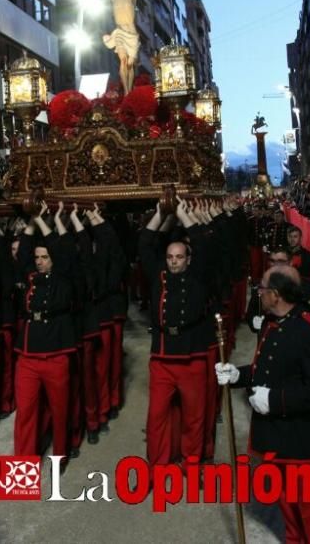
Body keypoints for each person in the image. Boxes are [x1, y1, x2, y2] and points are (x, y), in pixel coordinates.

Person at [216, 266, 310, 544]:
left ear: (276, 295)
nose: (258, 294)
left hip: (302, 441)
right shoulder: (273, 324)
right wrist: (237, 375)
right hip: (278, 438)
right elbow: (266, 371)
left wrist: (273, 400)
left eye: (262, 289)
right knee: (289, 511)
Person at [138, 199, 214, 466]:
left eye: (179, 257)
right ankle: (157, 465)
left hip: (191, 355)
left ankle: (191, 463)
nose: (173, 262)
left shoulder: (199, 275)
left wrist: (184, 214)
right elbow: (144, 244)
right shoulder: (158, 274)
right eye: (170, 257)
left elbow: (205, 244)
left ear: (188, 259)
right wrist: (161, 214)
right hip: (162, 356)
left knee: (194, 416)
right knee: (156, 416)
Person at [14, 202, 80, 463]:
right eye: (38, 257)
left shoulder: (65, 276)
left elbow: (64, 251)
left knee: (60, 409)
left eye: (45, 257)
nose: (40, 262)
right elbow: (22, 256)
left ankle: (61, 455)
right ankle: (21, 471)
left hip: (56, 353)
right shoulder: (30, 277)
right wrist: (32, 221)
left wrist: (43, 219)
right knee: (26, 412)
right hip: (28, 355)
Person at [78, 0, 170, 93]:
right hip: (119, 31)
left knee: (130, 65)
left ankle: (129, 90)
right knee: (123, 61)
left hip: (131, 32)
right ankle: (127, 92)